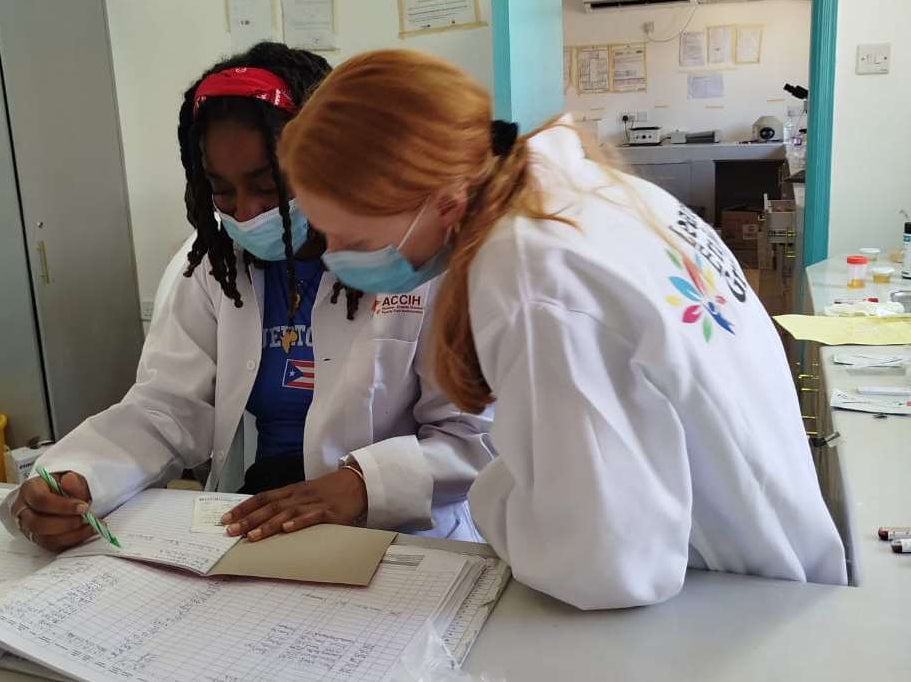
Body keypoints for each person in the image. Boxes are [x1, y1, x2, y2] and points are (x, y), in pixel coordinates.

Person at [275, 49, 847, 610]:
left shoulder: (530, 274)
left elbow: (601, 566)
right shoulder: (581, 197)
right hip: (763, 563)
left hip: (733, 601)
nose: (336, 258)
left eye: (354, 241)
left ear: (442, 201)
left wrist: (498, 494)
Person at [0, 43, 493, 551]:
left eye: (267, 185)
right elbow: (166, 406)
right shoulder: (215, 264)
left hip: (405, 536)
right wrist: (80, 475)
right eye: (222, 190)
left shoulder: (414, 256)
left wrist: (364, 484)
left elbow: (477, 439)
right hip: (262, 518)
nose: (247, 212)